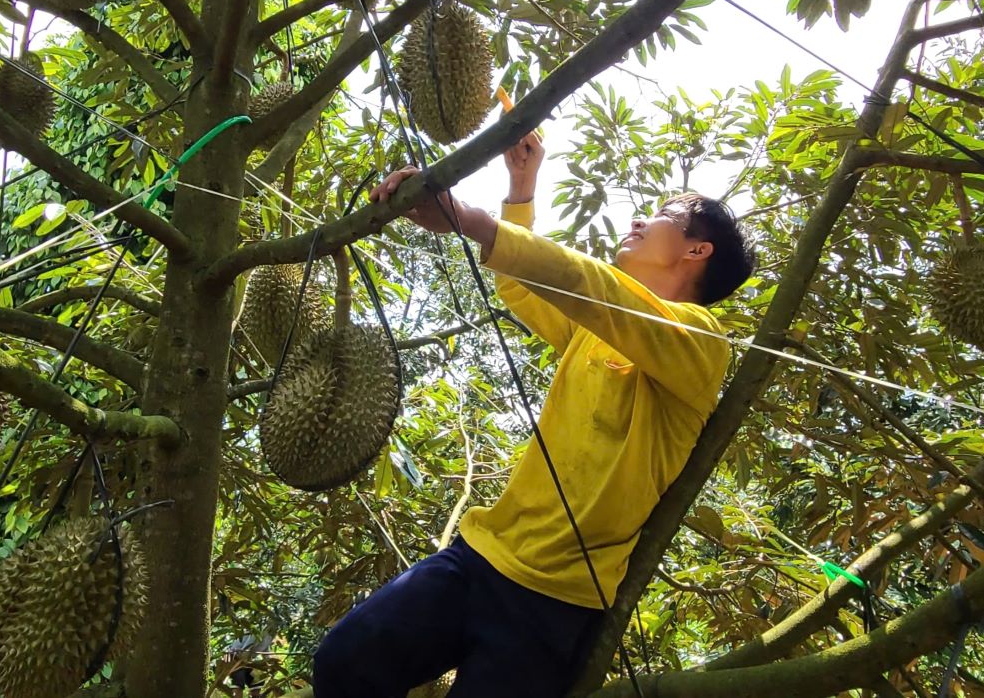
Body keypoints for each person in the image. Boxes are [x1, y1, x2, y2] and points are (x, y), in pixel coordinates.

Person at [312, 131, 756, 698]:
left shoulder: (699, 341)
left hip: (556, 601)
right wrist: (521, 187)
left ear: (698, 250)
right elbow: (524, 285)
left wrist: (468, 219)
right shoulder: (593, 328)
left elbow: (584, 281)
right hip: (480, 555)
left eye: (664, 215)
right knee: (344, 663)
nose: (640, 221)